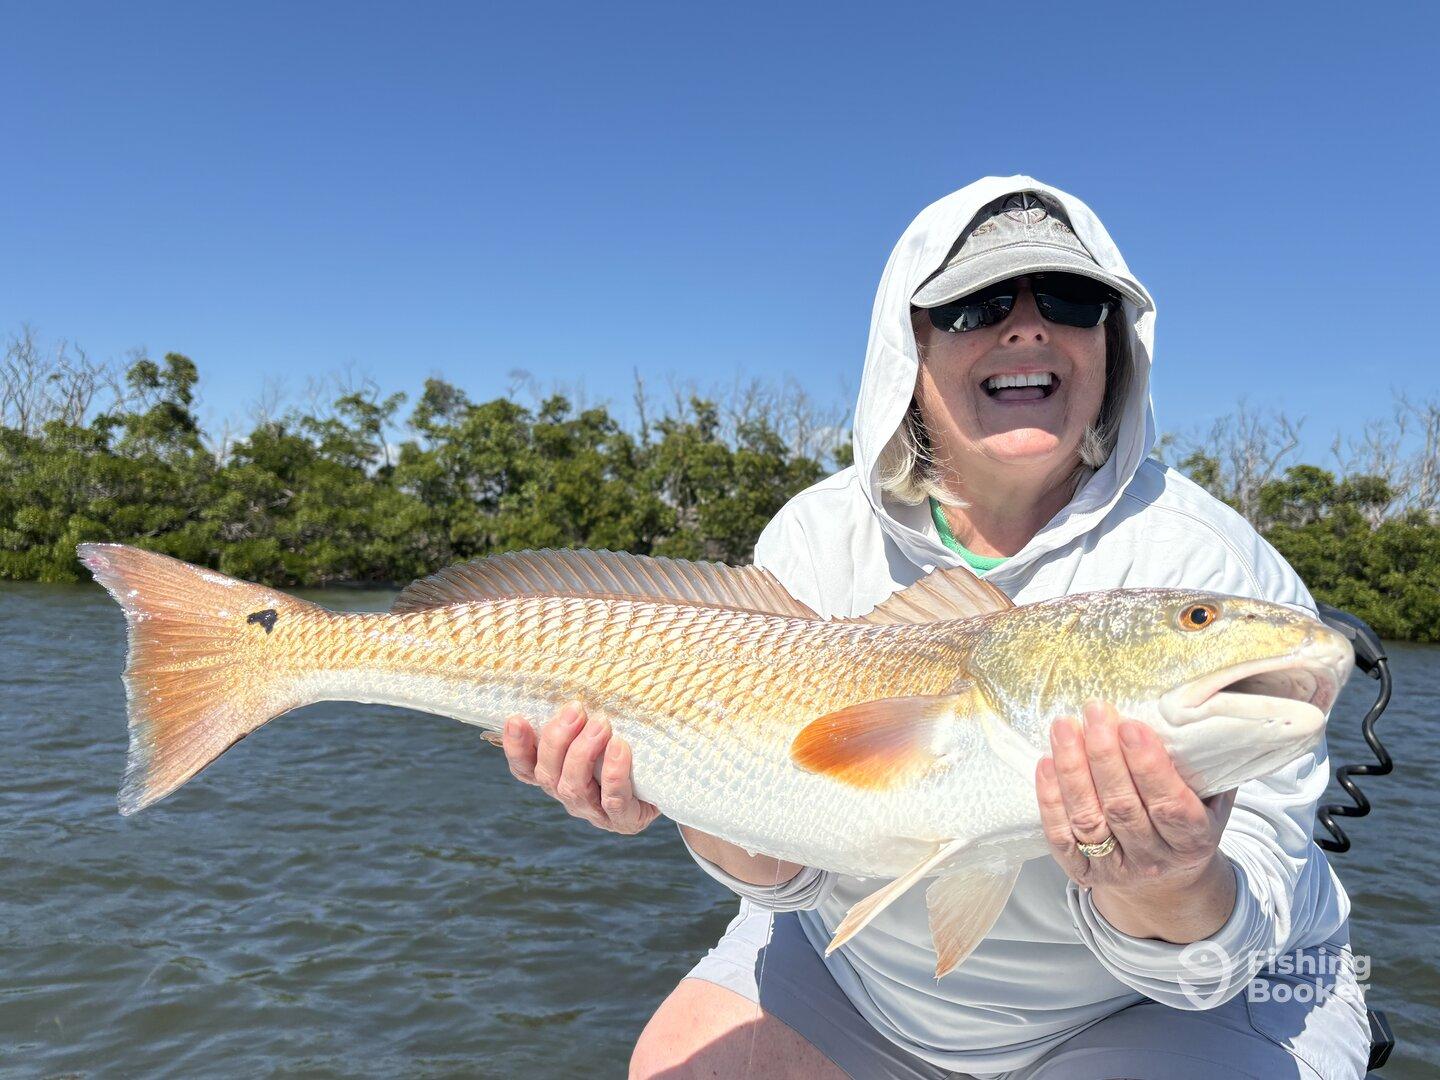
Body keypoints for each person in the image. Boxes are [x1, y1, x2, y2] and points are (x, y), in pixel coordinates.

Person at [500, 176, 1373, 1079]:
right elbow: (788, 871)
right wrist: (683, 789)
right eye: (974, 306)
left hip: (1179, 1006)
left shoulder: (1207, 556)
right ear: (905, 354)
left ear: (1113, 346)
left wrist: (1170, 882)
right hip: (865, 984)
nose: (1028, 327)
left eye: (1072, 300)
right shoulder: (813, 537)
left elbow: (1239, 934)